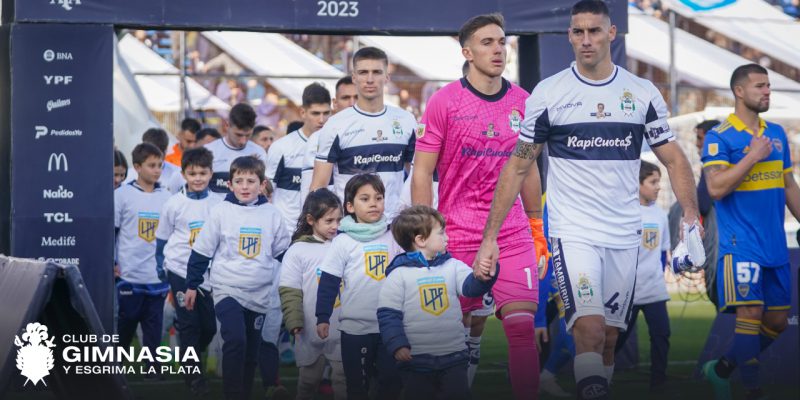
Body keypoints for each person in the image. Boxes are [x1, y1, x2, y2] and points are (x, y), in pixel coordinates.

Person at [474, 2, 700, 399]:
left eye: (594, 31)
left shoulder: (641, 93)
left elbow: (674, 158)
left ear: (612, 34)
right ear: (570, 36)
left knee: (610, 338)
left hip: (623, 234)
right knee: (589, 330)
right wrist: (490, 236)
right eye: (578, 32)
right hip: (572, 231)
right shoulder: (550, 93)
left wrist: (692, 218)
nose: (586, 40)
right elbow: (518, 167)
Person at [410, 13, 546, 397]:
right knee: (455, 333)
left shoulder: (525, 102)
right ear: (467, 51)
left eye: (502, 41)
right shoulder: (444, 102)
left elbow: (529, 170)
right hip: (456, 235)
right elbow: (422, 173)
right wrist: (424, 232)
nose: (498, 49)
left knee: (520, 325)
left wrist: (536, 227)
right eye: (487, 42)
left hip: (513, 233)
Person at [701, 64, 800, 400]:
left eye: (769, 86)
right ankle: (752, 390)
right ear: (739, 91)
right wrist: (751, 157)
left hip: (774, 245)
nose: (767, 91)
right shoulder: (719, 137)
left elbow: (789, 186)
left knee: (777, 323)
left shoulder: (776, 134)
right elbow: (715, 189)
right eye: (760, 86)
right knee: (750, 312)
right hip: (739, 244)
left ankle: (722, 369)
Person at [185, 155, 290, 400]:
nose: (245, 186)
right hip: (227, 288)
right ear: (229, 185)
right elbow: (201, 251)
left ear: (262, 184)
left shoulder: (272, 214)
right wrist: (192, 285)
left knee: (251, 351)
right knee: (236, 340)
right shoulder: (221, 212)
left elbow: (285, 253)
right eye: (239, 181)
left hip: (260, 293)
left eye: (251, 181)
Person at [377, 205, 496, 400]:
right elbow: (388, 314)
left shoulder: (453, 265)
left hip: (455, 356)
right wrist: (397, 345)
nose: (447, 237)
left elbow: (472, 288)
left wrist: (486, 274)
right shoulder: (398, 275)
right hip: (416, 361)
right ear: (421, 240)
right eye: (441, 233)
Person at [315, 174, 404, 400]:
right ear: (350, 206)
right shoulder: (343, 241)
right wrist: (323, 316)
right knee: (358, 387)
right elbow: (329, 281)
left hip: (391, 327)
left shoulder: (394, 236)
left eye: (379, 197)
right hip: (355, 328)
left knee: (391, 383)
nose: (373, 203)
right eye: (365, 198)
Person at [310, 47, 416, 221]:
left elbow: (419, 176)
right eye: (363, 72)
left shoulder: (406, 120)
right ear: (354, 77)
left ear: (386, 77)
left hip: (393, 228)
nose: (369, 79)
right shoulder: (335, 125)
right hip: (351, 229)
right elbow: (318, 188)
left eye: (376, 72)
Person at [154, 147, 221, 396]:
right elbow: (162, 239)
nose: (198, 178)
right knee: (189, 323)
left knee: (209, 327)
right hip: (180, 270)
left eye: (203, 173)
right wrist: (160, 266)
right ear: (183, 174)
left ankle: (188, 355)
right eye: (192, 173)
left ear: (211, 173)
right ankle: (195, 377)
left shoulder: (218, 203)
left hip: (208, 273)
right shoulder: (174, 203)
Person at [279, 188, 346, 400]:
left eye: (339, 220)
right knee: (308, 380)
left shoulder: (346, 246)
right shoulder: (297, 251)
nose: (335, 226)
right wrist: (294, 320)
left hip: (342, 325)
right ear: (311, 219)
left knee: (342, 379)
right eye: (329, 221)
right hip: (309, 326)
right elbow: (290, 290)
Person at [114, 143, 172, 374]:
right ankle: (116, 366)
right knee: (126, 323)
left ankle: (153, 367)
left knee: (153, 326)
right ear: (137, 167)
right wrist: (113, 262)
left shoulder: (167, 196)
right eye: (151, 165)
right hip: (129, 273)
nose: (157, 170)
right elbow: (113, 231)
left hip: (157, 275)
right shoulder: (121, 195)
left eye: (159, 165)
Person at [615, 161, 671, 391]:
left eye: (659, 182)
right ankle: (596, 377)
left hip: (654, 289)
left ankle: (658, 384)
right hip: (627, 290)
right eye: (653, 182)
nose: (658, 187)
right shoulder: (624, 212)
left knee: (661, 336)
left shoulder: (660, 214)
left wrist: (659, 274)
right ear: (637, 184)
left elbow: (662, 250)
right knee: (615, 339)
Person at [267, 83, 332, 230]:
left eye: (326, 113)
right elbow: (267, 189)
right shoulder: (281, 147)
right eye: (315, 113)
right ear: (303, 112)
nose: (322, 120)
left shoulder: (337, 146)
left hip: (325, 234)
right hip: (287, 233)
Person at [300, 77, 357, 202]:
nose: (352, 103)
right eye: (346, 98)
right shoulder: (318, 138)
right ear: (335, 103)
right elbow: (309, 191)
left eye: (356, 97)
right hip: (337, 217)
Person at [205, 103, 268, 195]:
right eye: (238, 135)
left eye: (248, 135)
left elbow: (267, 189)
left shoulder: (259, 152)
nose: (243, 141)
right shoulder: (209, 152)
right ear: (226, 125)